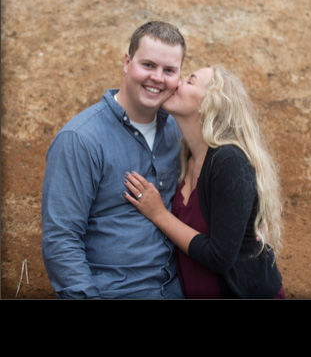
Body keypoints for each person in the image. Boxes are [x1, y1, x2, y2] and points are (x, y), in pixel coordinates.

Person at [42, 21, 186, 299]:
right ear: (127, 62)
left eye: (169, 70)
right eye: (148, 65)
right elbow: (61, 240)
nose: (157, 78)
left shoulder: (177, 131)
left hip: (175, 290)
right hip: (114, 292)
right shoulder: (80, 139)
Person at [123, 65, 285, 299]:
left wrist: (158, 213)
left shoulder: (229, 162)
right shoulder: (186, 158)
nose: (177, 82)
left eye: (190, 81)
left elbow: (220, 257)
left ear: (210, 103)